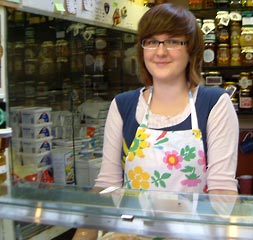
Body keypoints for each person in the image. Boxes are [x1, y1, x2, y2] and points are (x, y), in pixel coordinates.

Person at [72, 3, 239, 239]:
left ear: (191, 49)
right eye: (151, 41)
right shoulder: (123, 106)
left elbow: (222, 190)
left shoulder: (214, 105)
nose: (160, 52)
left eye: (172, 41)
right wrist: (83, 233)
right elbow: (108, 183)